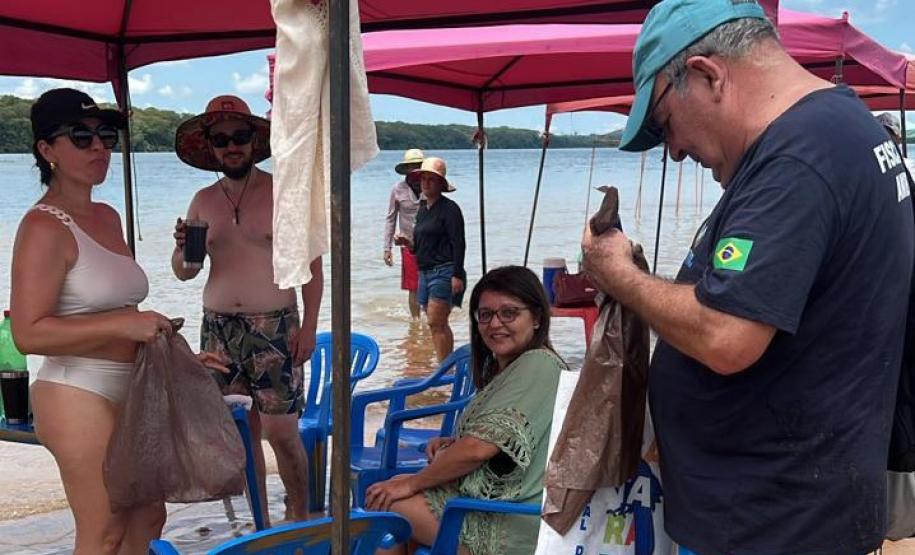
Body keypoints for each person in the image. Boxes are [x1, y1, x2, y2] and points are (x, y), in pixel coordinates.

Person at [581, 2, 915, 555]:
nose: (676, 151)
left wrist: (619, 276)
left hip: (774, 524)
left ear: (708, 75)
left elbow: (727, 337)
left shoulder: (798, 160)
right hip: (796, 504)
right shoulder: (840, 130)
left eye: (665, 125)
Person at [9, 88, 227, 554]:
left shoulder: (107, 215)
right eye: (81, 136)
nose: (99, 147)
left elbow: (124, 312)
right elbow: (28, 333)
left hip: (135, 386)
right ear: (47, 151)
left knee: (149, 516)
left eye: (105, 135)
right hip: (76, 389)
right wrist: (122, 327)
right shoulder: (43, 226)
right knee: (104, 528)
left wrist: (178, 350)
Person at [171, 95, 322, 523]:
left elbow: (311, 267)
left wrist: (309, 326)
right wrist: (183, 251)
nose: (231, 146)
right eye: (222, 139)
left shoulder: (283, 194)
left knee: (281, 430)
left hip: (274, 324)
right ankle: (261, 522)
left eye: (240, 137)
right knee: (240, 434)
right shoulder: (202, 200)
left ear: (254, 141)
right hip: (218, 327)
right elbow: (186, 272)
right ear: (211, 147)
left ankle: (300, 511)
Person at [365, 265, 564, 555]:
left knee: (388, 503)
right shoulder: (508, 369)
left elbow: (478, 449)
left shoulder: (539, 364)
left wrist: (414, 483)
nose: (495, 324)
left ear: (536, 318)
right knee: (392, 491)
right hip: (486, 502)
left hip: (511, 520)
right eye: (486, 315)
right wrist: (452, 446)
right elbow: (499, 444)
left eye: (509, 313)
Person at [394, 157, 466, 362]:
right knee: (436, 323)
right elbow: (419, 246)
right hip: (424, 272)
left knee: (436, 321)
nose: (425, 183)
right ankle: (445, 364)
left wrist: (457, 274)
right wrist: (407, 243)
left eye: (431, 180)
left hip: (444, 270)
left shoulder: (450, 209)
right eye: (423, 179)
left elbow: (459, 243)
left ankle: (444, 368)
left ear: (441, 184)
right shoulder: (424, 209)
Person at [384, 149, 425, 320]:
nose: (415, 170)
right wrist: (387, 248)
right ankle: (416, 322)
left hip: (431, 244)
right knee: (413, 287)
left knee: (432, 283)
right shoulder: (398, 190)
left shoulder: (430, 186)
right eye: (412, 166)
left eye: (419, 166)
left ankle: (430, 319)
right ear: (407, 169)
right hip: (408, 245)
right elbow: (390, 219)